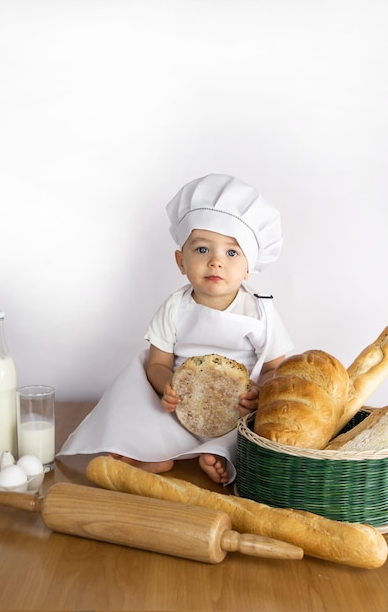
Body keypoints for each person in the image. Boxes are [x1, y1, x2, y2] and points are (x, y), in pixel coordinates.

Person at [58, 174, 293, 484]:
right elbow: (157, 363)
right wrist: (166, 385)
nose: (216, 262)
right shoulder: (175, 307)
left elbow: (277, 367)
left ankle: (216, 455)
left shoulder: (261, 310)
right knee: (139, 402)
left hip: (234, 411)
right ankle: (151, 454)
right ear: (181, 261)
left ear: (250, 266)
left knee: (249, 432)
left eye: (232, 253)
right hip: (178, 406)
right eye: (202, 250)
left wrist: (260, 391)